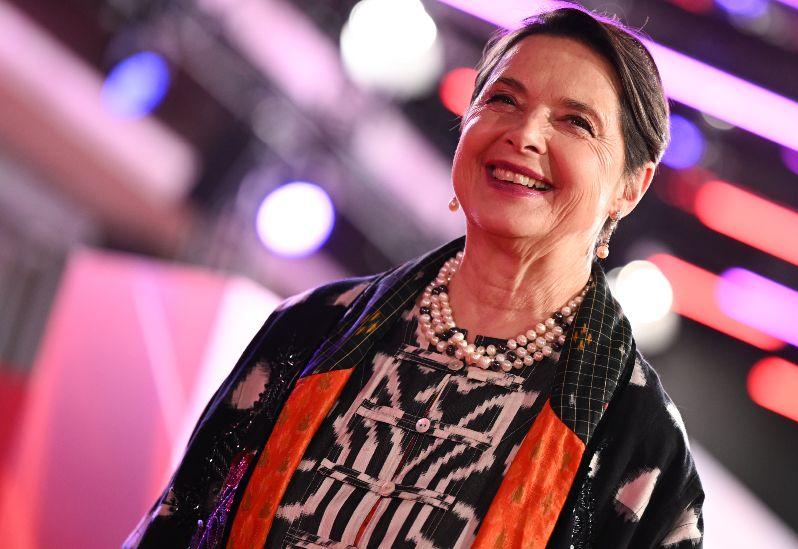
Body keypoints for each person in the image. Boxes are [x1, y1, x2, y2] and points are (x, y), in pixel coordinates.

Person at [127, 6, 704, 548]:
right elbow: (174, 527)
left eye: (576, 122)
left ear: (631, 186)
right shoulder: (308, 331)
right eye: (503, 99)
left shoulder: (640, 445)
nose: (525, 135)